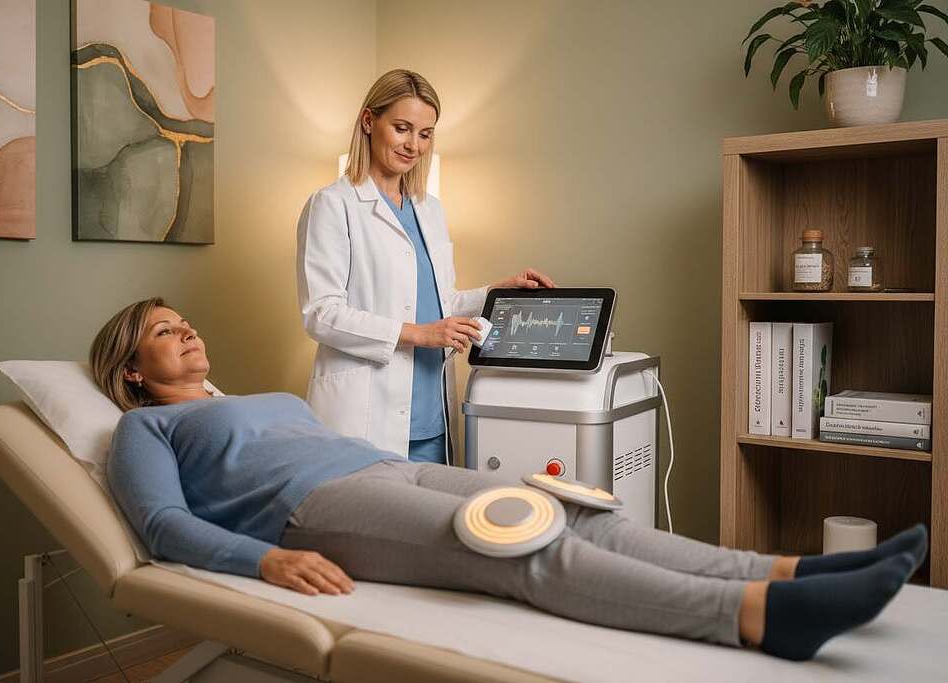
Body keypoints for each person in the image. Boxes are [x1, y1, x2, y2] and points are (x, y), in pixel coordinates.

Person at [94, 298, 927, 662]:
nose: (187, 331)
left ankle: (783, 570)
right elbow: (161, 526)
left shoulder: (244, 399)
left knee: (578, 513)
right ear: (132, 370)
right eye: (166, 330)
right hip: (316, 509)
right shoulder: (143, 428)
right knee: (517, 548)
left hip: (391, 468)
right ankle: (755, 618)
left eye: (185, 322)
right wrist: (266, 560)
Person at [296, 69, 555, 465]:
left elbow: (439, 301)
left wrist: (496, 293)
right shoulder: (333, 204)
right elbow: (321, 313)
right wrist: (419, 334)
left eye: (425, 134)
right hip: (366, 418)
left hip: (432, 420)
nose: (413, 145)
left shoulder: (429, 209)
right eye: (402, 129)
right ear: (368, 121)